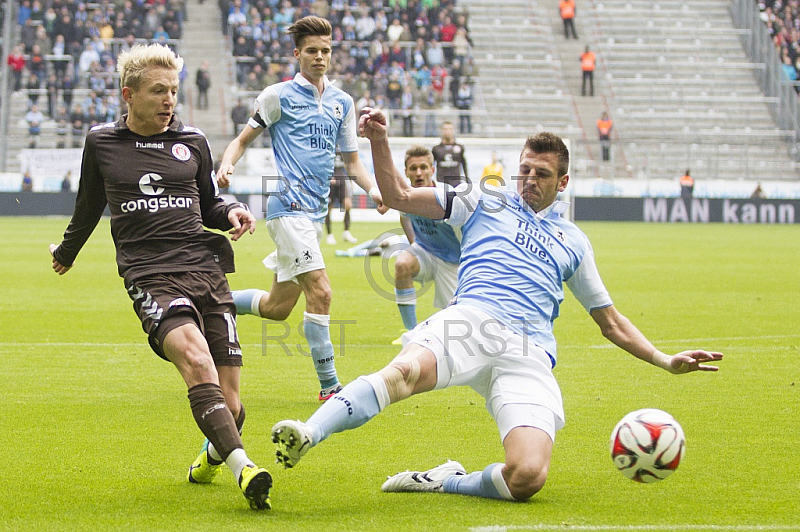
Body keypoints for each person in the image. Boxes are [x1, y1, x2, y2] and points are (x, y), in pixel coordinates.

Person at [270, 107, 723, 502]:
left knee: (527, 477)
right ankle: (310, 432)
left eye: (541, 174)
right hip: (475, 320)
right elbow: (399, 198)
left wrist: (665, 361)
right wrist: (381, 141)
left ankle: (444, 481)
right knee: (403, 372)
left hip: (529, 352)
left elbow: (611, 323)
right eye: (524, 169)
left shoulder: (575, 243)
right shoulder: (483, 198)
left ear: (563, 182)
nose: (528, 179)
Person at [48, 44, 272, 511]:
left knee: (230, 406)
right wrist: (67, 252)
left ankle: (211, 458)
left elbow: (209, 201)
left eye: (173, 90)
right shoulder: (102, 143)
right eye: (158, 91)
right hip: (149, 272)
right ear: (128, 95)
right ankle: (244, 469)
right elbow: (88, 205)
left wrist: (232, 210)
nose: (169, 99)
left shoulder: (192, 141)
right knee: (194, 358)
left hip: (204, 268)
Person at [217, 16, 386, 402]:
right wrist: (227, 164)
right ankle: (330, 387)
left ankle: (215, 301)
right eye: (312, 51)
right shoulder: (277, 95)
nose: (320, 57)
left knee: (277, 308)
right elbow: (242, 140)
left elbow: (353, 163)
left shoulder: (343, 102)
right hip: (287, 206)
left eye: (326, 51)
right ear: (297, 54)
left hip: (311, 213)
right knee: (322, 291)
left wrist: (375, 190)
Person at [391, 145, 460, 345]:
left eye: (423, 167)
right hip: (426, 252)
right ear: (406, 172)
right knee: (402, 264)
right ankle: (412, 333)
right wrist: (414, 244)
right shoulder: (405, 196)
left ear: (433, 170)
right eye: (413, 168)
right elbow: (404, 216)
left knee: (455, 325)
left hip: (453, 262)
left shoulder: (447, 197)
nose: (419, 173)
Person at [325, 152, 358, 245]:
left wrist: (350, 181)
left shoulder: (343, 145)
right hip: (330, 179)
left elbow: (350, 164)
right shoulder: (326, 144)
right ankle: (329, 234)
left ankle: (346, 232)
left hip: (342, 178)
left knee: (348, 205)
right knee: (328, 207)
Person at [431, 121, 469, 187]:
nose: (448, 131)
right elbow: (431, 165)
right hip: (441, 183)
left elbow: (464, 164)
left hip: (456, 183)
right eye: (446, 129)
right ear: (442, 131)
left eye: (450, 129)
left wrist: (467, 181)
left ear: (454, 130)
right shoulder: (436, 147)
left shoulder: (460, 146)